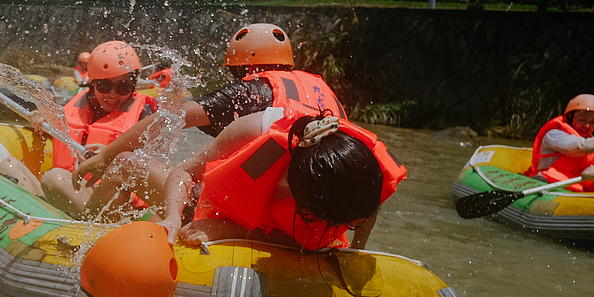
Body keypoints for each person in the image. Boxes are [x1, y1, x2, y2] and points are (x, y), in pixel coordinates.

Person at [74, 23, 345, 184]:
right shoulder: (322, 92)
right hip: (313, 211)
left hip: (259, 210)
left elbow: (167, 119)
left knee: (127, 163)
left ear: (240, 67)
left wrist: (104, 157)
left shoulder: (248, 91)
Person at [149, 111, 406, 250]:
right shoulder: (256, 135)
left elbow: (369, 209)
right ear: (303, 202)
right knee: (126, 165)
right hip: (219, 205)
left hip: (242, 225)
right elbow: (183, 173)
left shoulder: (366, 167)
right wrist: (172, 216)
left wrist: (356, 253)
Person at [29, 40, 159, 215]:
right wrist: (43, 119)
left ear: (133, 85)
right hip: (74, 189)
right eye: (104, 86)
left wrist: (109, 155)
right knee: (9, 165)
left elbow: (150, 166)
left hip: (115, 201)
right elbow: (61, 130)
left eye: (123, 87)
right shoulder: (77, 102)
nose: (112, 95)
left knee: (54, 178)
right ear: (93, 83)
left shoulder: (145, 113)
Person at [526, 94, 594, 192]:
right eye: (582, 120)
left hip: (572, 190)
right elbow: (581, 147)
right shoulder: (554, 135)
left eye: (593, 122)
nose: (587, 125)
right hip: (545, 182)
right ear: (571, 117)